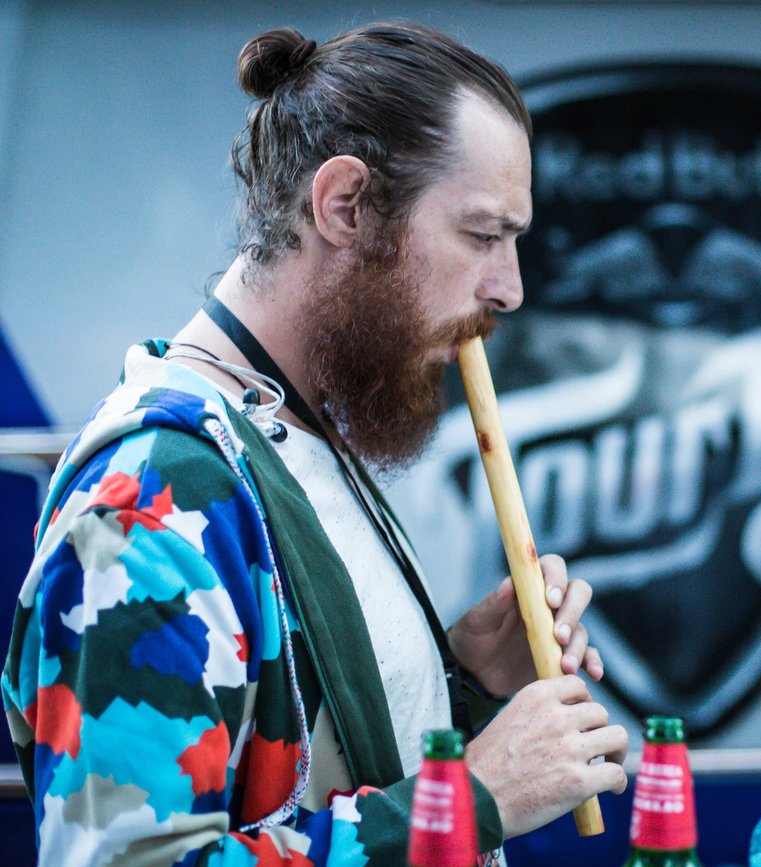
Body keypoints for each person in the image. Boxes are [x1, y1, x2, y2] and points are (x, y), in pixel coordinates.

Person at [0, 21, 629, 865]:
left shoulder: (293, 427)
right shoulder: (151, 499)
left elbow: (336, 770)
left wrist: (470, 680)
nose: (510, 288)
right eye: (483, 235)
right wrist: (468, 800)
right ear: (345, 206)